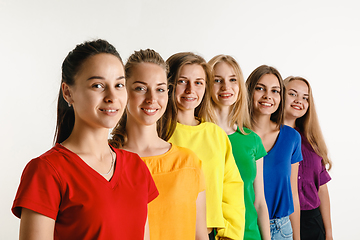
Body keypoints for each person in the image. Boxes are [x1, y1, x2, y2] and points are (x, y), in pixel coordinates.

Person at [11, 39, 158, 240]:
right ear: (68, 92)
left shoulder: (136, 167)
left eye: (119, 85)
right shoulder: (46, 171)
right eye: (98, 85)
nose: (112, 96)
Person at [109, 49, 208, 240]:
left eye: (160, 89)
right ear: (123, 90)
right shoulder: (105, 161)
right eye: (140, 88)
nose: (152, 99)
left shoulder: (188, 162)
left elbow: (200, 236)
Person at [166, 52, 245, 240]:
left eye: (199, 82)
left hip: (210, 234)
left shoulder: (215, 134)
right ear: (168, 84)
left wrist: (230, 236)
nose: (190, 90)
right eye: (182, 81)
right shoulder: (158, 134)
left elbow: (231, 189)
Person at [206, 55, 271, 240]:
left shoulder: (252, 140)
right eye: (217, 80)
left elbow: (259, 201)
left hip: (249, 234)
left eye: (232, 80)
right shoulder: (199, 135)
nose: (226, 87)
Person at [246, 65, 303, 240]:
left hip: (281, 229)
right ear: (248, 91)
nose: (267, 96)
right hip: (245, 226)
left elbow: (293, 192)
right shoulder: (236, 136)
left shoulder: (291, 137)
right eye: (260, 88)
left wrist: (297, 237)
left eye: (275, 91)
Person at [283, 76, 333, 240]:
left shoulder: (311, 141)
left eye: (305, 97)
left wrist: (329, 233)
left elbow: (322, 189)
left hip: (313, 222)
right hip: (281, 221)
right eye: (293, 94)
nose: (299, 101)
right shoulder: (266, 138)